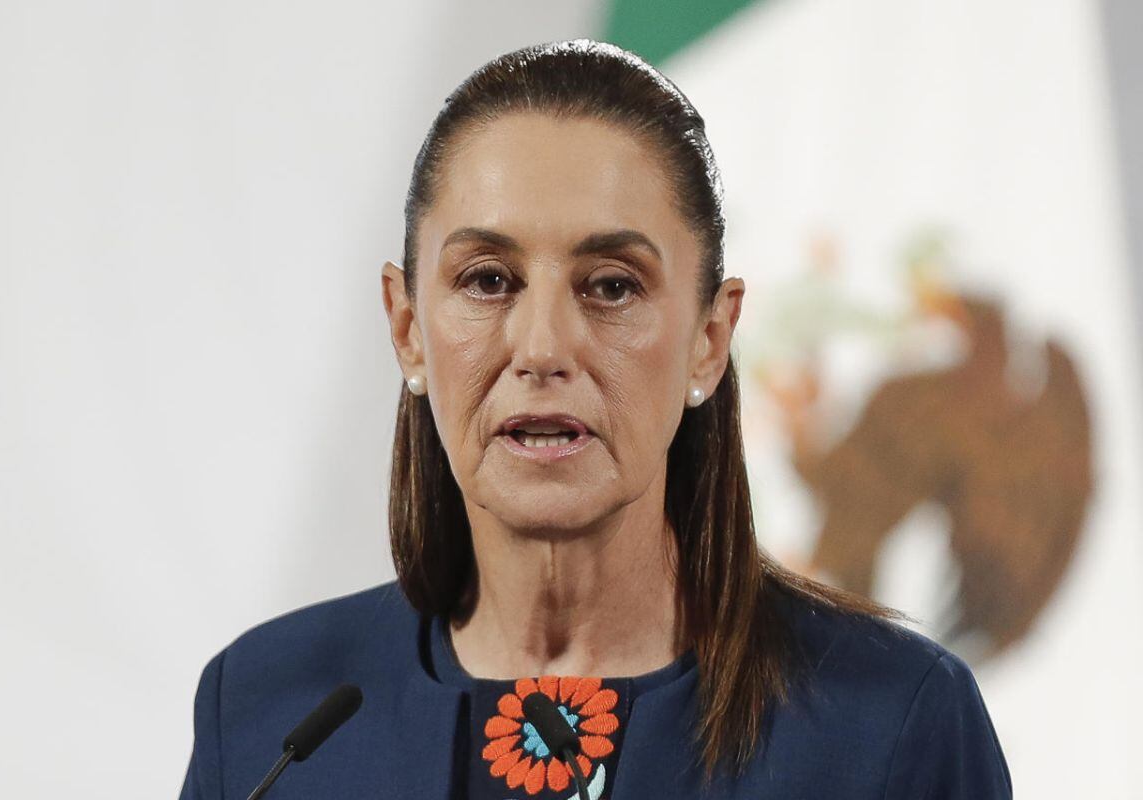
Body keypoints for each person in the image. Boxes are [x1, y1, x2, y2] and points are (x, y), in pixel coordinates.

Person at [178, 39, 1012, 799]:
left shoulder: (892, 725)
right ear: (407, 328)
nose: (542, 348)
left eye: (611, 285)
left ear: (709, 338)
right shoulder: (264, 714)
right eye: (487, 280)